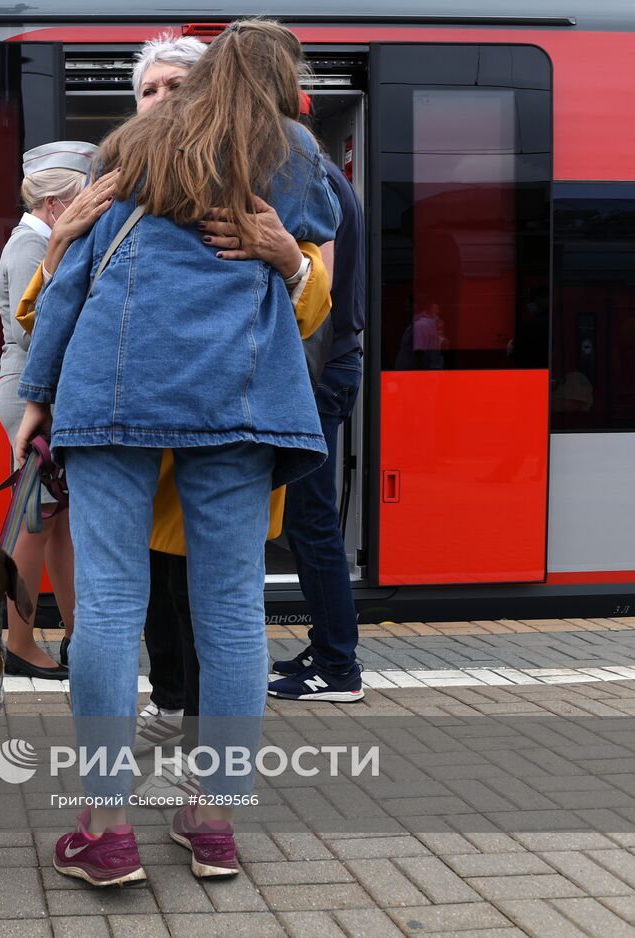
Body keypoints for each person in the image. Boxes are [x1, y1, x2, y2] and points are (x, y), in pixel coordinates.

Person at [15, 19, 339, 886]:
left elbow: (74, 283)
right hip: (236, 406)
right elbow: (328, 212)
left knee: (111, 607)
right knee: (233, 613)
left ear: (193, 86)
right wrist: (280, 234)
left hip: (112, 400)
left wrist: (37, 396)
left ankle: (106, 827)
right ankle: (214, 822)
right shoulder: (285, 149)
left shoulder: (127, 150)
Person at [266, 151, 368, 702]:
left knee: (311, 523)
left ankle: (337, 666)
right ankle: (327, 646)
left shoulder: (305, 175)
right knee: (310, 521)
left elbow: (316, 295)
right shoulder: (326, 174)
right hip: (330, 365)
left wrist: (295, 387)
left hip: (318, 369)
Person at [0, 141, 97, 679]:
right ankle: (18, 642)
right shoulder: (35, 247)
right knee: (35, 523)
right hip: (38, 392)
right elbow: (36, 327)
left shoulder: (30, 240)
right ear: (57, 203)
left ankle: (77, 635)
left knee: (56, 523)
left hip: (42, 389)